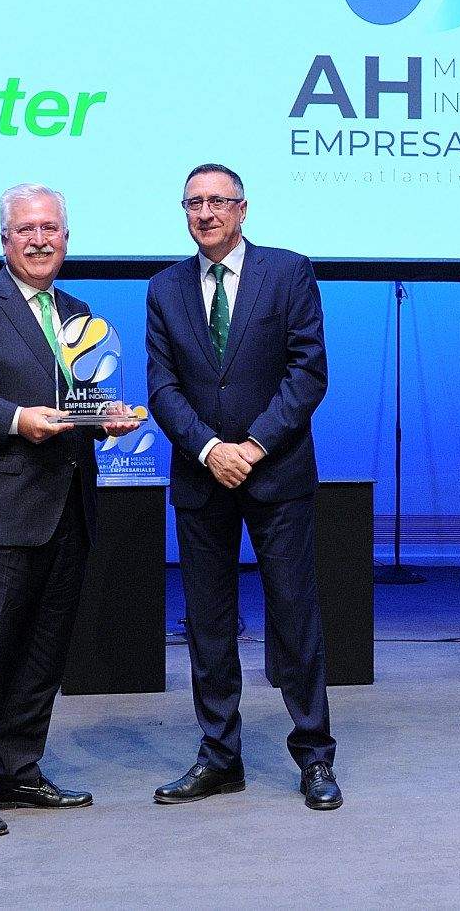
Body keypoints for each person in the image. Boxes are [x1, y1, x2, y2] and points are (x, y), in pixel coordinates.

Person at [0, 182, 139, 836]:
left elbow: (71, 400)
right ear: (5, 239)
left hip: (67, 510)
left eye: (51, 228)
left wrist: (105, 417)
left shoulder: (75, 309)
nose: (40, 239)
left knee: (41, 656)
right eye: (27, 229)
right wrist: (14, 419)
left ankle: (15, 770)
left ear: (67, 237)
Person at [145, 163, 340, 810]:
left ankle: (314, 754)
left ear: (243, 208)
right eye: (193, 202)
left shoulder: (288, 271)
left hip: (276, 473)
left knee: (294, 616)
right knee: (208, 623)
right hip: (202, 477)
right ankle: (219, 756)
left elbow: (308, 373)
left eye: (218, 201)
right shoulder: (164, 288)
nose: (205, 213)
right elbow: (162, 388)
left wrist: (251, 446)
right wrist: (208, 448)